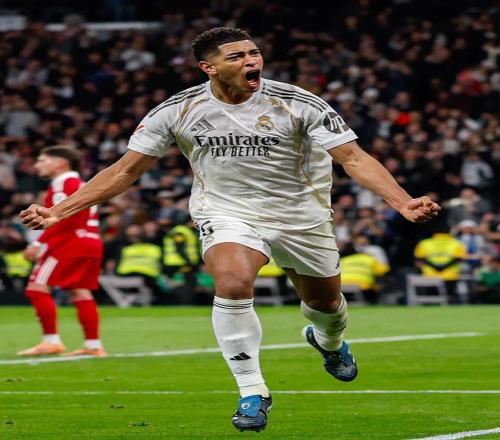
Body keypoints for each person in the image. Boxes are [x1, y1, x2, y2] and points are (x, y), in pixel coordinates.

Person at [20, 28, 440, 431]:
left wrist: (401, 201)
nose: (251, 61)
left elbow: (353, 157)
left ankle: (328, 342)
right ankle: (252, 390)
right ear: (209, 67)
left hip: (301, 216)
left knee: (326, 305)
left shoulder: (298, 102)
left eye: (254, 53)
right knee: (233, 282)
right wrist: (60, 211)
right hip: (226, 212)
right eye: (237, 56)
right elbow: (125, 170)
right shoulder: (176, 110)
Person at [17, 146, 106, 357]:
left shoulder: (63, 183)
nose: (37, 165)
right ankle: (93, 345)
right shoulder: (81, 184)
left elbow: (63, 219)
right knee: (80, 291)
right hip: (91, 240)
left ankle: (51, 341)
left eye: (43, 160)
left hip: (69, 242)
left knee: (36, 287)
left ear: (60, 163)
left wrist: (38, 243)